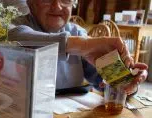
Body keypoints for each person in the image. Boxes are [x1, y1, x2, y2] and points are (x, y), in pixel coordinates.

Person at [8, 0, 147, 94]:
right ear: (30, 2)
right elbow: (15, 38)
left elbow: (107, 84)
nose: (57, 6)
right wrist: (82, 45)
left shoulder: (77, 32)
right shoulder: (13, 26)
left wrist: (127, 81)